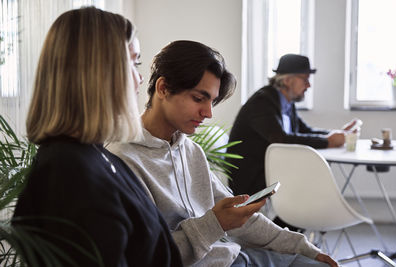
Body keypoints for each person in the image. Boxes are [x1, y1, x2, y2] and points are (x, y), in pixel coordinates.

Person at [109, 41, 338, 267]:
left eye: (212, 101)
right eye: (199, 98)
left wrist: (304, 247)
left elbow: (241, 218)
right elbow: (150, 256)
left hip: (234, 258)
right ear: (163, 88)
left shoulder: (190, 151)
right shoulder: (122, 160)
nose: (208, 113)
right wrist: (215, 223)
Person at [12, 7, 182, 267]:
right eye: (133, 63)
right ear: (100, 73)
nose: (139, 79)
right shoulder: (69, 174)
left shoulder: (95, 156)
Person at [227, 54, 357, 198]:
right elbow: (280, 139)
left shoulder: (286, 102)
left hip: (272, 171)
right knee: (312, 181)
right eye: (305, 79)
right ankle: (296, 219)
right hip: (251, 178)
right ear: (288, 80)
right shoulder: (262, 101)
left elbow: (305, 131)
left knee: (312, 178)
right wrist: (328, 141)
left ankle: (297, 218)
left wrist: (335, 134)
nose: (309, 85)